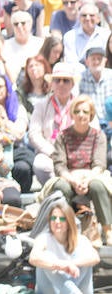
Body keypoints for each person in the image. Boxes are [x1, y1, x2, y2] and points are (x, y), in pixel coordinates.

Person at [45, 95, 111, 245]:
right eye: (77, 111)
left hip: (92, 176)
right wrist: (74, 181)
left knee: (98, 186)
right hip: (70, 177)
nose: (81, 115)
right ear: (72, 114)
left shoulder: (99, 136)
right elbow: (59, 165)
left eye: (85, 112)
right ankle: (63, 228)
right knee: (60, 188)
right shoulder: (63, 136)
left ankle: (108, 230)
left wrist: (86, 180)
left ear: (91, 115)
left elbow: (99, 164)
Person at [29, 201, 99, 294]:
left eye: (62, 219)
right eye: (53, 218)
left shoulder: (80, 239)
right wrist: (60, 265)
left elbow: (95, 257)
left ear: (69, 221)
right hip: (49, 290)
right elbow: (33, 258)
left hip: (75, 284)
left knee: (86, 259)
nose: (57, 221)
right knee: (46, 256)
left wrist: (70, 264)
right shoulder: (44, 238)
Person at [30, 62, 82, 185]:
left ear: (73, 84)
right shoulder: (41, 105)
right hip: (50, 153)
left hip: (76, 153)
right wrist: (53, 152)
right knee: (40, 164)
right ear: (51, 83)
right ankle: (58, 190)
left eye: (66, 80)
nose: (61, 84)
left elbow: (93, 130)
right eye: (57, 80)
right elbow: (33, 134)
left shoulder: (81, 104)